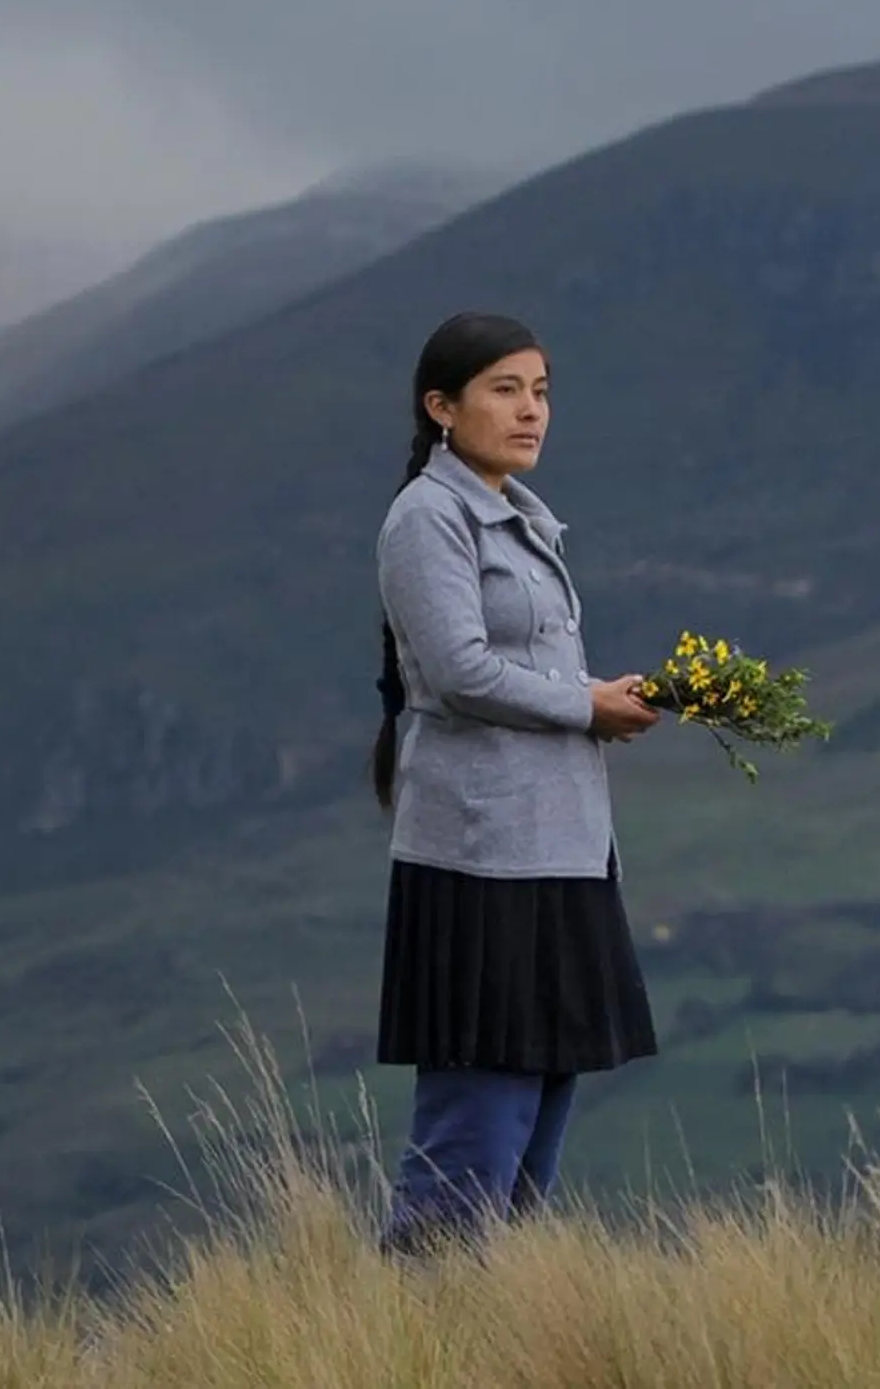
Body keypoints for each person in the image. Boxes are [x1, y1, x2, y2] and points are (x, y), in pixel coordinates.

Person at [369, 310, 662, 1253]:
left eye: (540, 390)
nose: (531, 410)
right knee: (471, 1146)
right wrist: (587, 706)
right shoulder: (428, 517)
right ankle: (413, 1334)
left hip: (563, 852)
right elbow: (457, 671)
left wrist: (608, 697)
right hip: (483, 861)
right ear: (441, 406)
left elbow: (519, 671)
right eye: (505, 389)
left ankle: (496, 1334)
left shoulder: (525, 520)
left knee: (534, 1138)